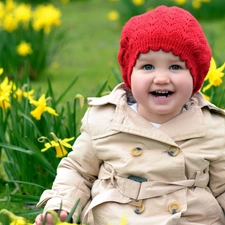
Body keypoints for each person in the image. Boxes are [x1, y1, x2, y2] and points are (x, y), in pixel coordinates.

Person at [34, 5, 225, 225]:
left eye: (175, 67)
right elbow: (78, 171)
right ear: (129, 75)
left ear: (195, 77)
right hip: (118, 218)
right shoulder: (105, 119)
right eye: (147, 67)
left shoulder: (213, 127)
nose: (161, 78)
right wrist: (62, 206)